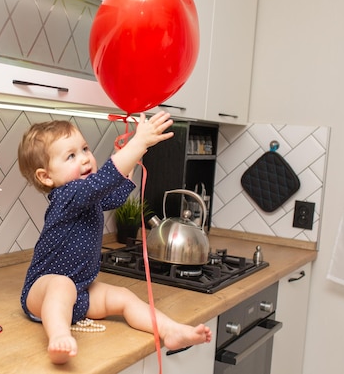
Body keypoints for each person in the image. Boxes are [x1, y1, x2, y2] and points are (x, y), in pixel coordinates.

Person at [18, 111, 212, 364]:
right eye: (71, 156)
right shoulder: (67, 196)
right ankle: (58, 337)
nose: (86, 158)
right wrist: (137, 143)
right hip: (41, 293)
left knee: (123, 296)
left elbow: (114, 193)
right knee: (61, 284)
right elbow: (102, 181)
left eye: (85, 148)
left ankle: (169, 330)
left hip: (79, 293)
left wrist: (132, 158)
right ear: (46, 177)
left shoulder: (88, 196)